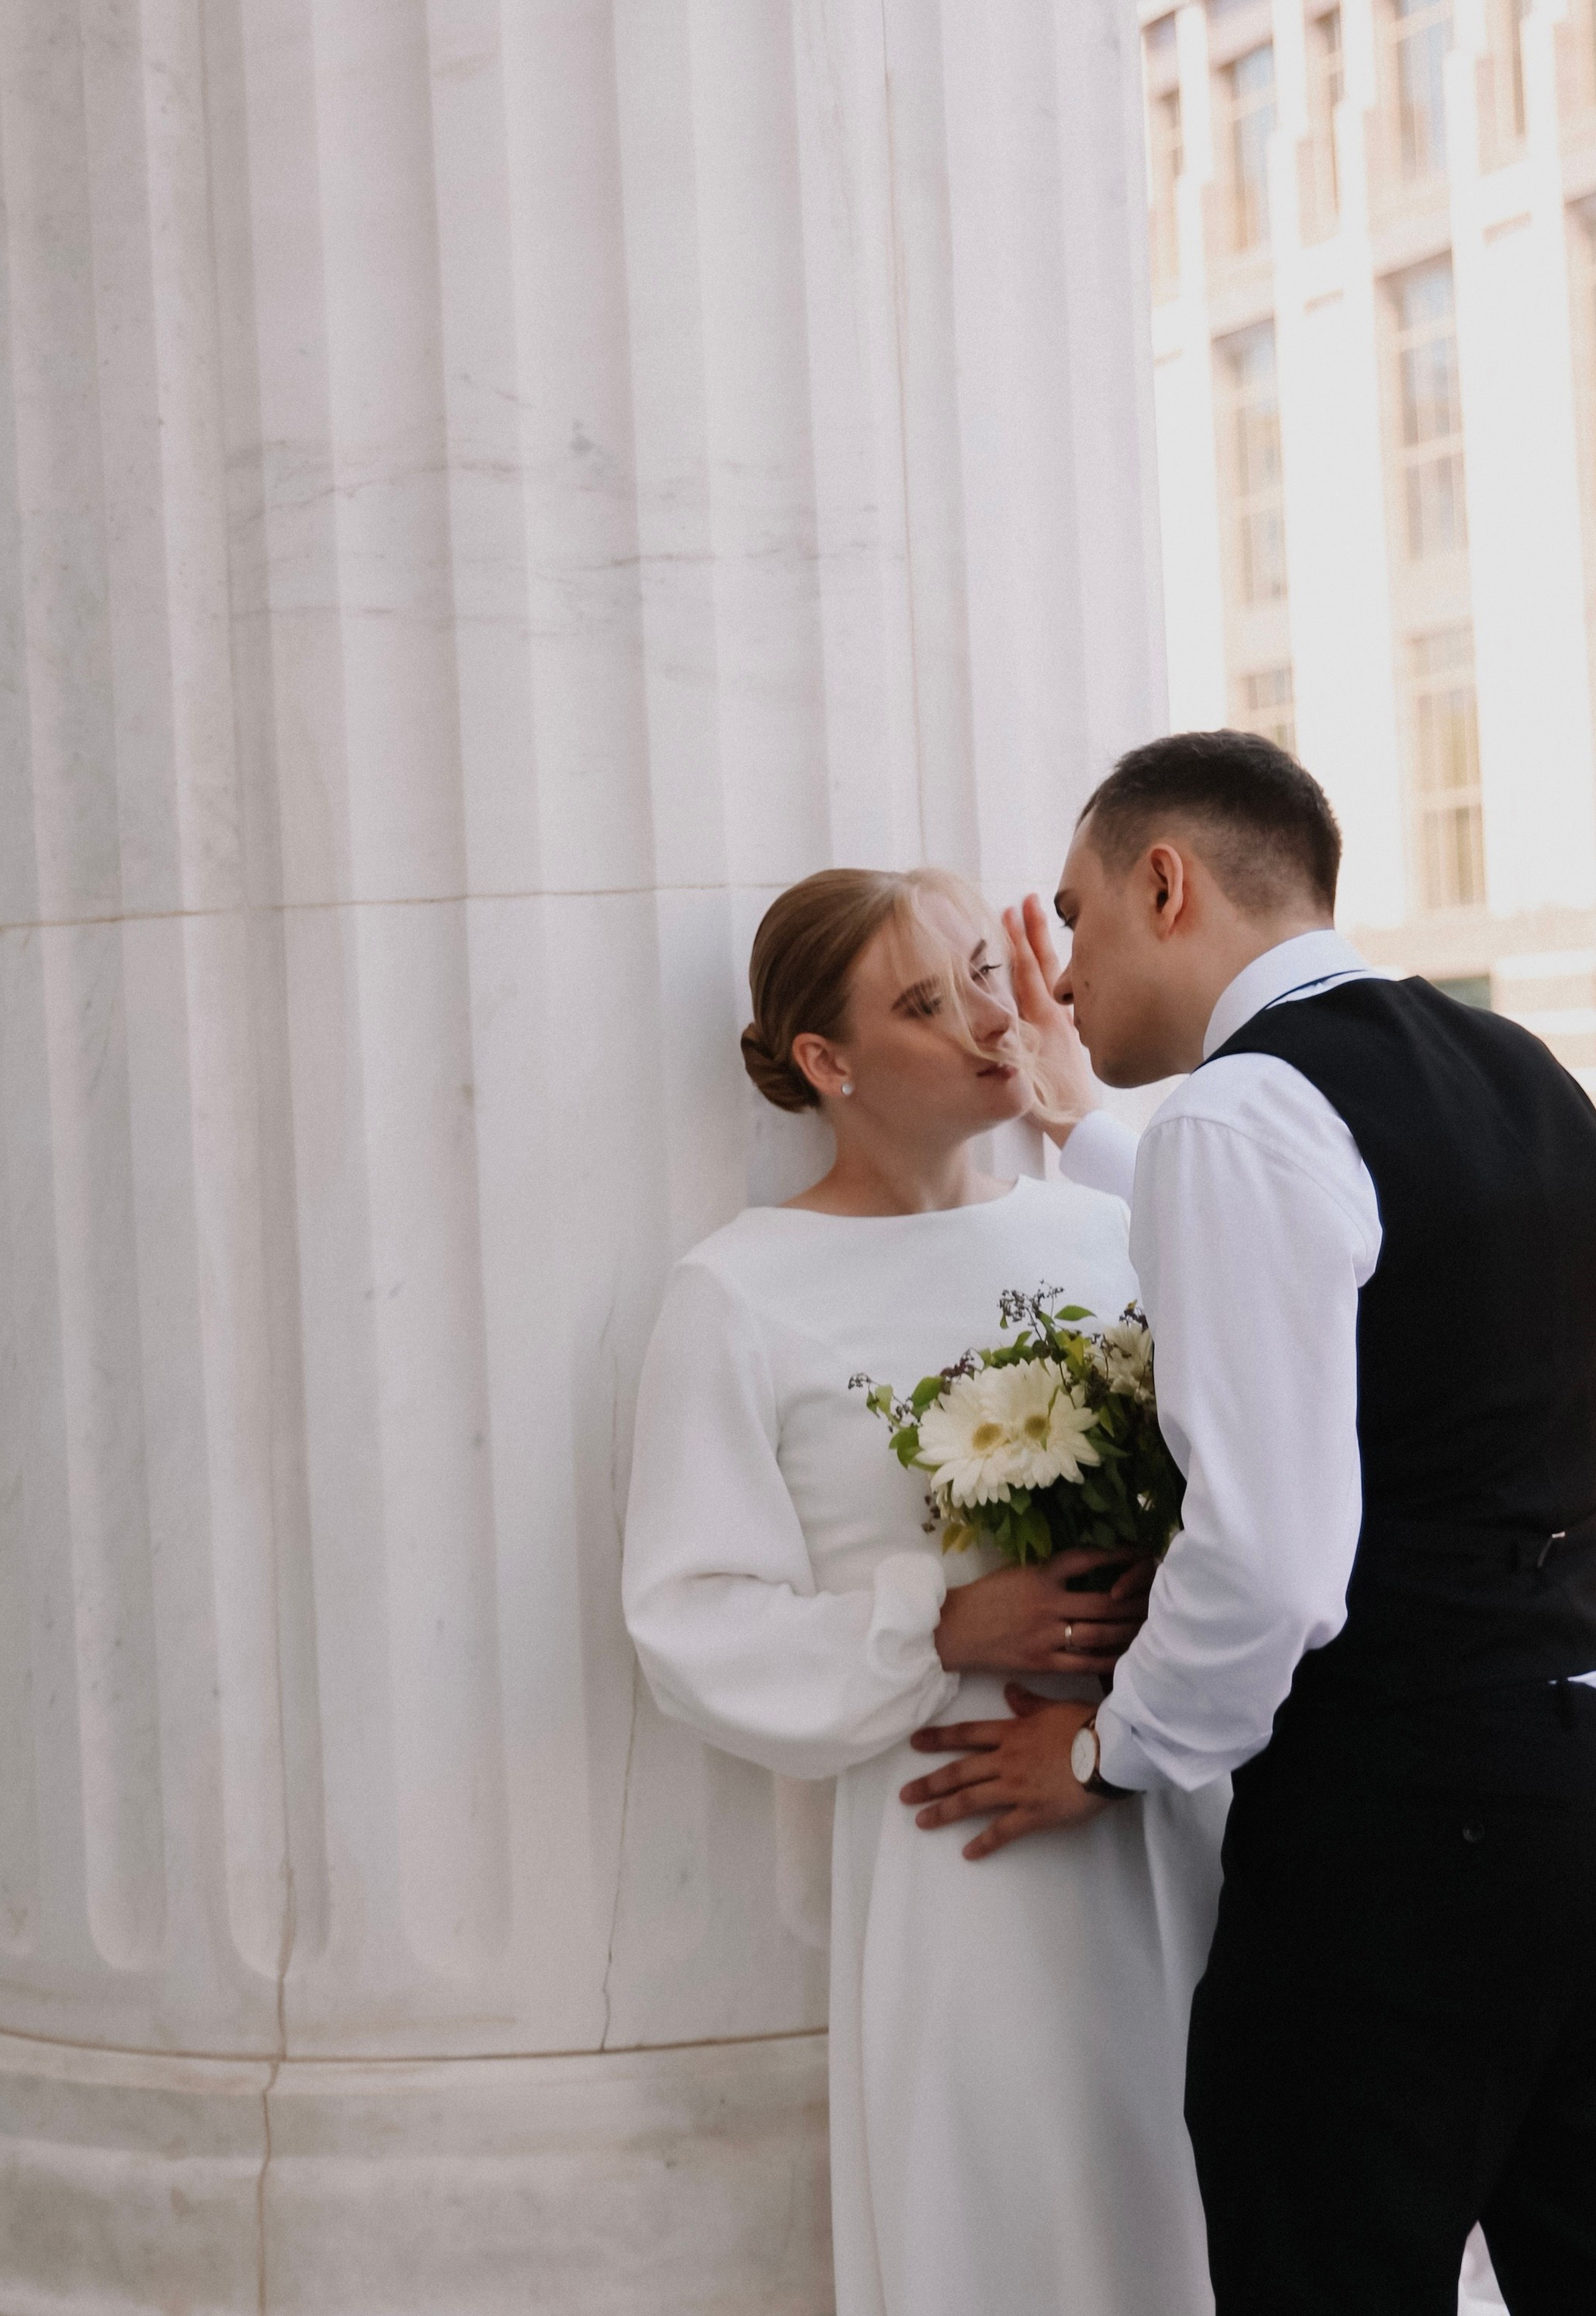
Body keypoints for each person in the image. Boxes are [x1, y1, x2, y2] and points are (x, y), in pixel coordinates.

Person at [902, 731, 1596, 2316]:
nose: (1058, 974)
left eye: (1073, 916)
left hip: (1405, 1843)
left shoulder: (1239, 1118)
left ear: (1167, 884)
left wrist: (1109, 1751)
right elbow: (1356, 1272)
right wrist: (1085, 1126)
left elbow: (1271, 1566)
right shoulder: (1524, 1075)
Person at [621, 866, 1222, 2316]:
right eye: (924, 1003)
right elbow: (688, 1619)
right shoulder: (739, 1291)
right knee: (1018, 2225)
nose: (988, 1020)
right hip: (970, 1840)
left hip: (1172, 1802)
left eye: (985, 974)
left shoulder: (1100, 1229)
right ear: (825, 1062)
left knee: (1212, 2214)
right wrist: (942, 1622)